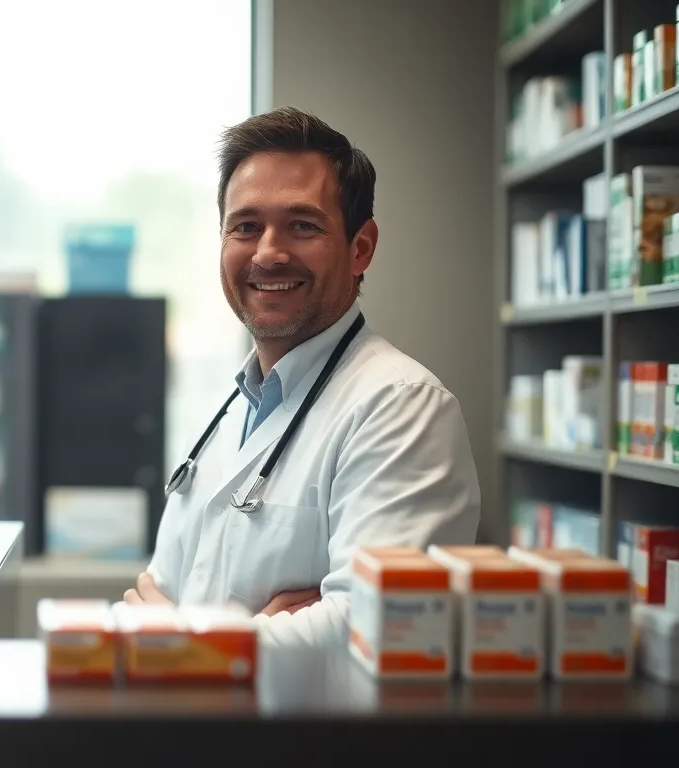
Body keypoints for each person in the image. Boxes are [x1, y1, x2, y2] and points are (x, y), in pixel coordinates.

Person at [124, 106, 480, 647]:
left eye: (303, 226)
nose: (269, 253)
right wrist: (258, 638)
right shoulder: (230, 411)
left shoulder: (403, 407)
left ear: (361, 248)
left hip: (313, 736)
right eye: (245, 226)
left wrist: (178, 642)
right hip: (191, 728)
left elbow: (381, 632)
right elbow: (151, 598)